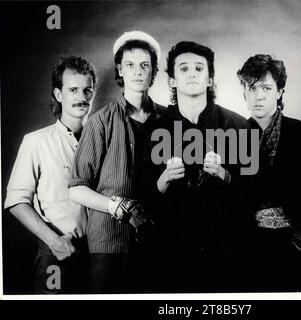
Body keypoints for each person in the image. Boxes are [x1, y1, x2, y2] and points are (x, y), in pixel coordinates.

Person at [68, 31, 165, 293]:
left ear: (154, 70)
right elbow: (76, 188)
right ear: (120, 70)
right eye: (130, 65)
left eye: (145, 65)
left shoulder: (170, 120)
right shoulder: (101, 122)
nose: (137, 72)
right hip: (110, 243)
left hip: (161, 240)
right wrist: (119, 206)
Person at [153, 41, 251, 292]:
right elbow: (144, 194)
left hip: (227, 250)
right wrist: (163, 179)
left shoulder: (238, 126)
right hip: (173, 251)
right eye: (183, 68)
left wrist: (224, 174)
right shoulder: (155, 129)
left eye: (199, 67)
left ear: (210, 79)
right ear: (172, 81)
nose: (193, 72)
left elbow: (253, 191)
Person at [4, 56, 97, 293]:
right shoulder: (36, 142)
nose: (81, 97)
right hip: (58, 253)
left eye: (87, 90)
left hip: (100, 254)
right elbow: (16, 202)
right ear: (58, 94)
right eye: (73, 90)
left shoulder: (103, 142)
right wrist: (55, 243)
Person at [237, 54, 301, 291]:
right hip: (249, 251)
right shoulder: (233, 138)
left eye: (266, 87)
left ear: (279, 91)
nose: (259, 95)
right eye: (252, 88)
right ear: (244, 91)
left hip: (297, 248)